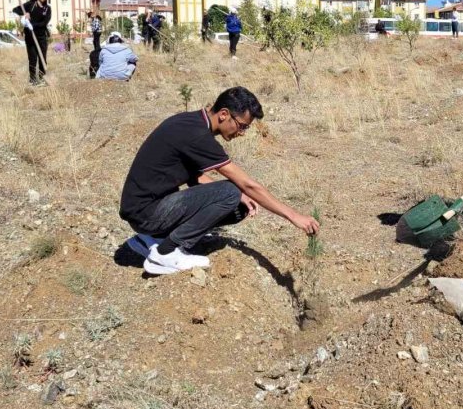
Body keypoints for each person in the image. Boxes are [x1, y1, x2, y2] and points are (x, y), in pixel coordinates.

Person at [119, 87, 320, 275]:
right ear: (224, 114)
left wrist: (241, 197)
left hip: (143, 208)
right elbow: (248, 184)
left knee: (238, 205)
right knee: (231, 191)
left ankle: (151, 239)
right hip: (146, 214)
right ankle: (165, 253)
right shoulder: (197, 135)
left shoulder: (191, 123)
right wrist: (293, 216)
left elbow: (194, 177)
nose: (242, 133)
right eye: (242, 126)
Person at [13, 0, 51, 85]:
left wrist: (33, 25)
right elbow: (15, 10)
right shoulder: (30, 5)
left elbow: (45, 22)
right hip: (30, 37)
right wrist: (25, 13)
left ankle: (42, 78)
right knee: (32, 59)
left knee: (42, 58)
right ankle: (32, 80)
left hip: (41, 36)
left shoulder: (47, 8)